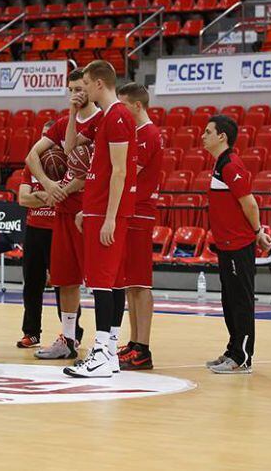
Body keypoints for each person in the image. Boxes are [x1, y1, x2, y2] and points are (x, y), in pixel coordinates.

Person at [64, 60, 137, 379]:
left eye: (87, 84)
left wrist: (109, 218)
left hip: (107, 213)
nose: (84, 89)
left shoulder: (119, 115)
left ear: (99, 84)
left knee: (103, 283)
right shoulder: (108, 117)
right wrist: (89, 209)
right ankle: (107, 353)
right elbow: (74, 148)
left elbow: (120, 171)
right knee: (103, 282)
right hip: (95, 209)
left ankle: (103, 352)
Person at [26, 69, 97, 359]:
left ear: (92, 88)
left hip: (91, 210)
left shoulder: (102, 121)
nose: (75, 94)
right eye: (71, 89)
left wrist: (63, 190)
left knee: (100, 281)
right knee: (65, 279)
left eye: (80, 89)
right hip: (65, 212)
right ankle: (68, 339)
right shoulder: (62, 122)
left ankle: (107, 340)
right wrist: (49, 184)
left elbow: (90, 169)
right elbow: (32, 156)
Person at [203, 115, 271, 374]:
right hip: (225, 245)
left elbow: (250, 204)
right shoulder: (220, 165)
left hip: (238, 246)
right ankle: (233, 350)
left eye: (208, 132)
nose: (203, 136)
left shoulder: (232, 165)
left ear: (222, 136)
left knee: (241, 302)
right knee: (229, 301)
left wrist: (257, 232)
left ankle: (242, 358)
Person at [113, 83, 162, 370]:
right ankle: (134, 343)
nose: (120, 112)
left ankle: (143, 347)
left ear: (137, 106)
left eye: (124, 106)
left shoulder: (148, 135)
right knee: (132, 282)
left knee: (140, 283)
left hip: (140, 213)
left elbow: (130, 172)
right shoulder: (138, 134)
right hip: (131, 212)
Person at [16, 120, 56, 349]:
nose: (44, 142)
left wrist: (39, 194)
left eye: (48, 136)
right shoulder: (31, 164)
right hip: (34, 229)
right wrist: (47, 195)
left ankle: (72, 332)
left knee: (64, 283)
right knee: (32, 284)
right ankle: (31, 333)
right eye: (41, 136)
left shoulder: (67, 163)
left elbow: (64, 199)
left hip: (58, 229)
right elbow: (23, 199)